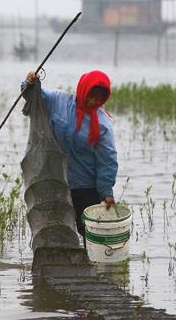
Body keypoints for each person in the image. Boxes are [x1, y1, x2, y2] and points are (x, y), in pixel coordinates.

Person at [23, 70, 118, 236]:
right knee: (54, 228)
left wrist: (106, 193)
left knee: (88, 232)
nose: (93, 100)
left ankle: (92, 261)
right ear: (83, 89)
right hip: (55, 181)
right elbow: (34, 96)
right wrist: (30, 83)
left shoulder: (102, 124)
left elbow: (107, 161)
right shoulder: (59, 101)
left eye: (99, 97)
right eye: (91, 94)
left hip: (85, 186)